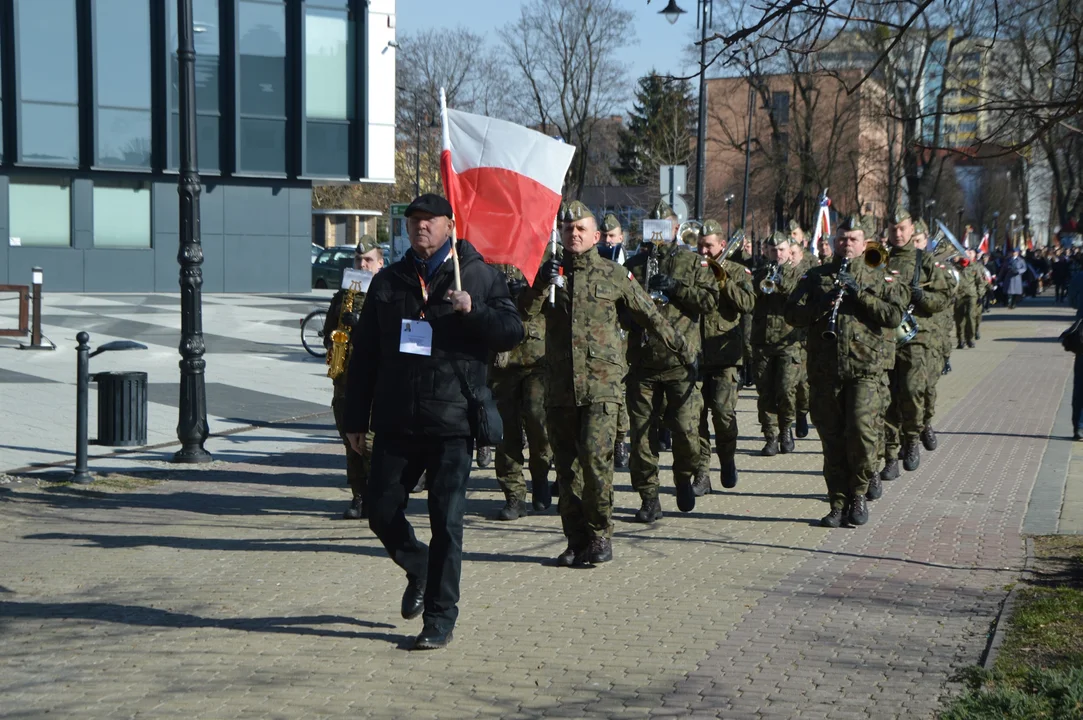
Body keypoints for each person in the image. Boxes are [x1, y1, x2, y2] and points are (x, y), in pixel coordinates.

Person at [343, 193, 524, 650]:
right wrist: (354, 418)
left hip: (453, 418)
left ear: (450, 225)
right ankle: (419, 566)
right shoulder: (389, 280)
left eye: (431, 220)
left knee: (447, 521)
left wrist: (473, 309)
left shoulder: (477, 275)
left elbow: (512, 331)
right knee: (380, 509)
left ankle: (440, 618)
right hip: (397, 419)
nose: (421, 226)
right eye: (414, 220)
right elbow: (363, 356)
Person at [523, 201, 695, 562]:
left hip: (601, 387)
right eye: (568, 229)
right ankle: (575, 539)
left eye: (581, 229)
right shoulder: (548, 275)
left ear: (596, 236)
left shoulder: (613, 275)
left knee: (595, 462)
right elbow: (525, 314)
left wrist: (683, 351)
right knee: (567, 470)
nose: (574, 234)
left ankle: (601, 535)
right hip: (560, 388)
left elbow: (649, 314)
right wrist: (541, 282)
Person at [785, 214, 908, 527]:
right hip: (826, 370)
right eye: (841, 238)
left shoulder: (882, 275)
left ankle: (858, 491)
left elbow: (894, 315)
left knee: (863, 435)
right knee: (833, 440)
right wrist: (821, 304)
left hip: (867, 369)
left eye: (853, 239)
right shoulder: (816, 276)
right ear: (832, 242)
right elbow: (792, 314)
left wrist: (859, 295)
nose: (846, 244)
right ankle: (837, 504)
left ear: (865, 243)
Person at [625, 200, 719, 521]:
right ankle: (649, 497)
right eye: (652, 229)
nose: (657, 235)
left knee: (684, 431)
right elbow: (621, 310)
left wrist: (677, 287)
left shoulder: (692, 263)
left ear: (676, 229)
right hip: (643, 363)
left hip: (681, 362)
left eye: (663, 228)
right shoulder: (635, 264)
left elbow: (709, 301)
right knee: (641, 436)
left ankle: (683, 476)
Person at [881, 210, 952, 477]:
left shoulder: (925, 261)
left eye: (902, 228)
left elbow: (943, 297)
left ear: (911, 229)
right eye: (892, 229)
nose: (897, 234)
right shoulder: (878, 258)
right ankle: (889, 455)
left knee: (911, 391)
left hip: (916, 338)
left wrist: (922, 297)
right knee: (886, 398)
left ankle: (911, 439)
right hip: (884, 338)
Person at [325, 235, 384, 520]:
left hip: (374, 382)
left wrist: (361, 327)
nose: (363, 264)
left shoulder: (385, 294)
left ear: (379, 264)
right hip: (345, 380)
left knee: (372, 442)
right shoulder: (341, 296)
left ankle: (379, 495)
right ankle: (359, 496)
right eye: (359, 260)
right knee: (350, 442)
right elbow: (328, 332)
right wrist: (334, 345)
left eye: (368, 260)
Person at [695, 220, 755, 492]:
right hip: (694, 353)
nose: (704, 251)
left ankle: (727, 459)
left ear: (721, 245)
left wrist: (724, 282)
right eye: (700, 245)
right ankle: (701, 473)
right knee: (694, 419)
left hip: (725, 355)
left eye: (708, 246)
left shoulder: (737, 271)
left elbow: (747, 303)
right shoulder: (693, 268)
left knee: (722, 415)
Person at [489, 261, 552, 520]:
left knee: (539, 420)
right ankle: (514, 495)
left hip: (537, 357)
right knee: (506, 432)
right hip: (502, 359)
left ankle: (541, 476)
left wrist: (535, 286)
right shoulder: (489, 260)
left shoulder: (543, 254)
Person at [750, 232, 804, 456]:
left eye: (781, 250)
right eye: (773, 250)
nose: (777, 254)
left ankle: (786, 429)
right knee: (765, 392)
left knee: (785, 389)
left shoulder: (798, 275)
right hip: (762, 341)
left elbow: (801, 300)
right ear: (766, 252)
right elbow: (749, 299)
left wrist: (782, 284)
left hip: (788, 342)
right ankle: (770, 436)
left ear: (789, 251)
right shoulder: (758, 274)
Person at [598, 213, 631, 469]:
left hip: (622, 337)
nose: (609, 241)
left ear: (621, 237)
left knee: (620, 392)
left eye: (613, 236)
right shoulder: (595, 261)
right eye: (605, 236)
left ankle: (620, 439)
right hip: (600, 337)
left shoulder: (631, 263)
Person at [789, 226, 819, 439]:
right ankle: (785, 425)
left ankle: (802, 413)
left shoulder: (810, 274)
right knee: (787, 385)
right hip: (782, 339)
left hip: (804, 337)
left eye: (793, 254)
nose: (789, 257)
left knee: (803, 383)